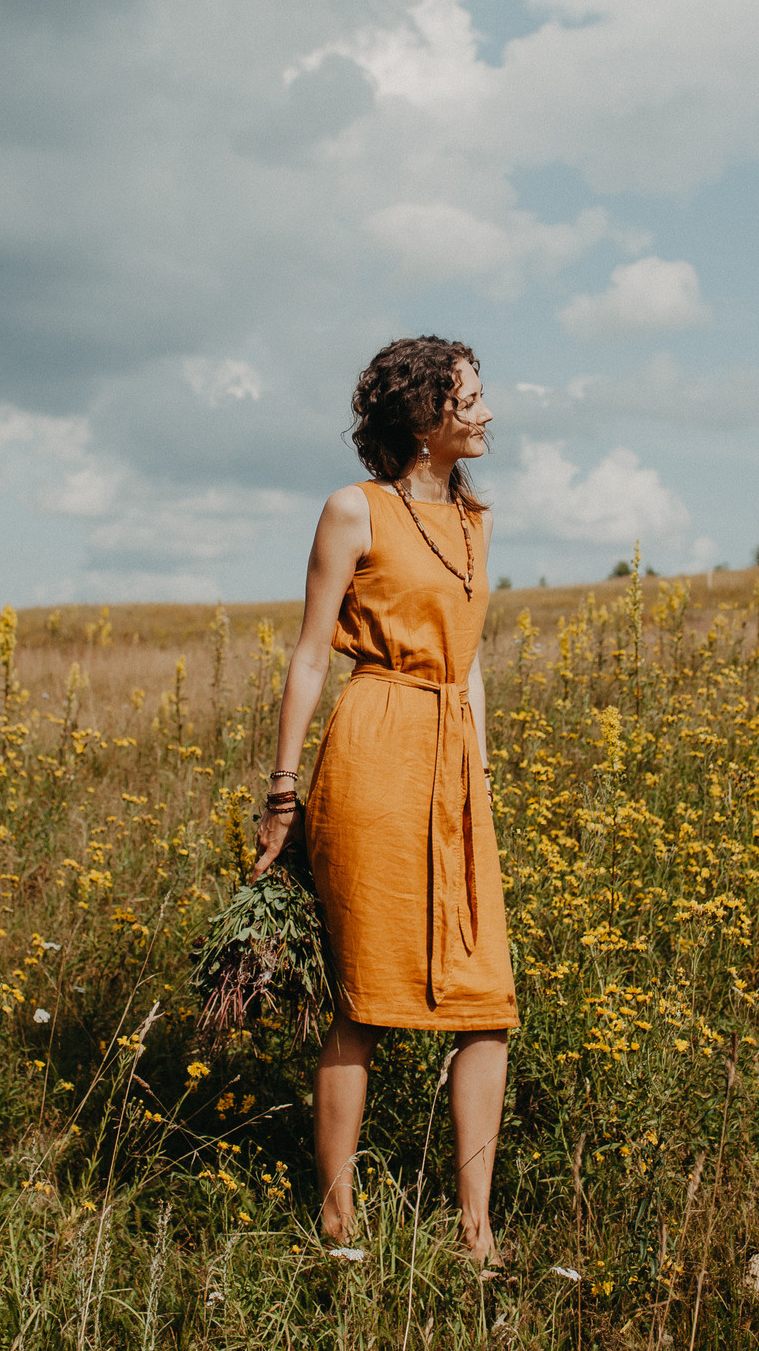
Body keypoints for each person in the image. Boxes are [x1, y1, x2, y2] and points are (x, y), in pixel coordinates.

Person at [250, 335, 516, 1267]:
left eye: (482, 396)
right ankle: (337, 1222)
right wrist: (283, 791)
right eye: (470, 398)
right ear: (423, 415)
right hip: (374, 748)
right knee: (362, 998)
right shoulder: (352, 511)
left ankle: (476, 1233)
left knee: (487, 1003)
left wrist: (481, 772)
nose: (486, 412)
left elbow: (472, 658)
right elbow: (312, 654)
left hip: (453, 759)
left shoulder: (479, 521)